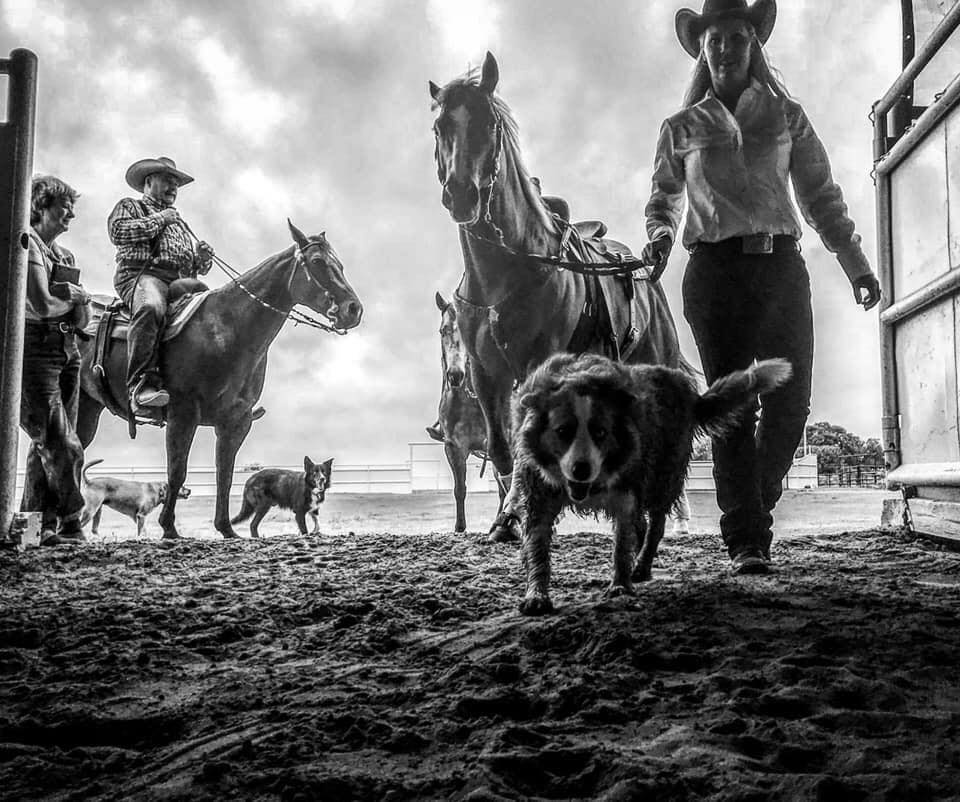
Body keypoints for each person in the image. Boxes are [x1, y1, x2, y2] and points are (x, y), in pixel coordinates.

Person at [642, 0, 881, 575]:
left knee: (791, 402)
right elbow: (663, 200)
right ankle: (747, 539)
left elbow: (821, 195)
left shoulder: (786, 116)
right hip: (713, 274)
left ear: (753, 44)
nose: (725, 48)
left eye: (737, 37)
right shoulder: (681, 128)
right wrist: (659, 238)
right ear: (702, 49)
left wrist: (855, 263)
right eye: (715, 39)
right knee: (731, 406)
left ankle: (754, 504)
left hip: (781, 271)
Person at [108, 156, 214, 413]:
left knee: (210, 312)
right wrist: (161, 219)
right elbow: (118, 232)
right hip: (140, 275)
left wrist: (201, 259)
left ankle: (219, 391)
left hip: (178, 282)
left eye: (176, 183)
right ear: (148, 182)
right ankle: (140, 385)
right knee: (151, 307)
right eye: (167, 180)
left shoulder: (179, 224)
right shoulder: (131, 206)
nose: (173, 187)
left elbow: (191, 268)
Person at [20, 175, 92, 546]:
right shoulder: (28, 244)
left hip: (67, 349)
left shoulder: (64, 256)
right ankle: (73, 521)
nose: (70, 216)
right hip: (34, 348)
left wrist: (79, 302)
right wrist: (76, 298)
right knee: (63, 443)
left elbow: (83, 320)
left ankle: (35, 528)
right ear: (40, 206)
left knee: (45, 444)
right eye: (64, 208)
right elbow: (41, 303)